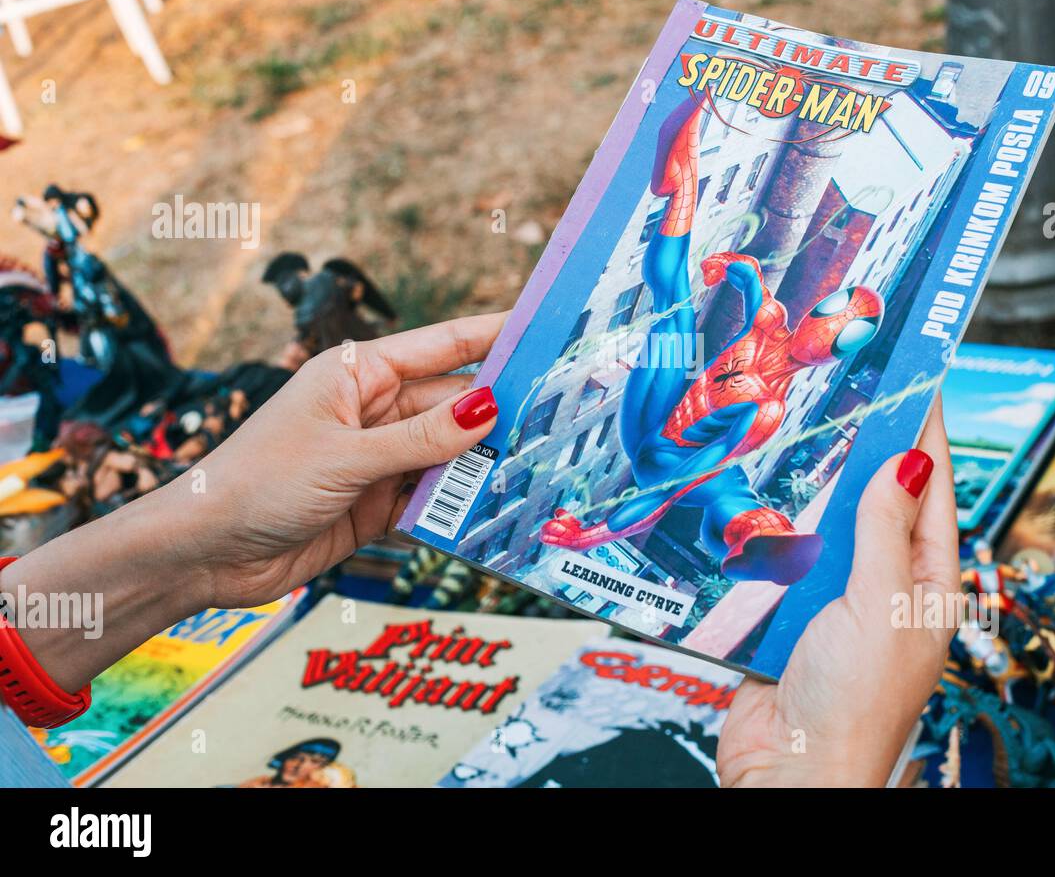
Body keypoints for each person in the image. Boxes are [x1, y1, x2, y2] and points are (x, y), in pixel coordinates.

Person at [0, 312, 958, 788]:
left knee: (713, 489)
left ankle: (735, 525)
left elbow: (679, 468)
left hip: (656, 466)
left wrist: (186, 555)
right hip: (645, 451)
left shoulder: (756, 396)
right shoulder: (745, 330)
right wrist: (825, 764)